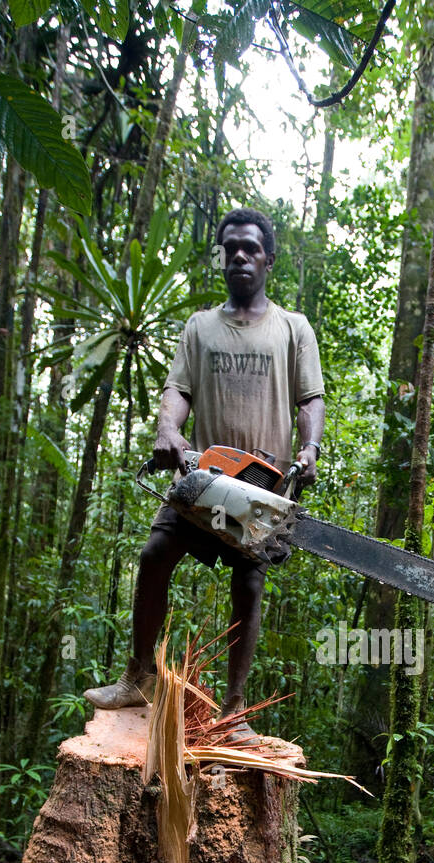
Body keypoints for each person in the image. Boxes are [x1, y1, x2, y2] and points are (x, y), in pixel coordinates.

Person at [85, 207, 325, 739]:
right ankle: (139, 675)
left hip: (263, 486)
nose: (240, 255)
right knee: (154, 554)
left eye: (251, 248)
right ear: (223, 257)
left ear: (268, 257)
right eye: (231, 248)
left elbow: (309, 397)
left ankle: (234, 709)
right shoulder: (200, 327)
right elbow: (177, 392)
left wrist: (308, 449)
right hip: (204, 479)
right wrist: (169, 432)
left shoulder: (293, 329)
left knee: (250, 583)